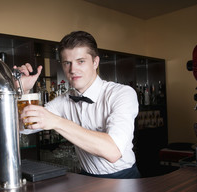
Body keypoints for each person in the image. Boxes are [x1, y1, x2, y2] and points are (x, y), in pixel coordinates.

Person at [17, 31, 140, 179]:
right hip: (86, 177)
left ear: (95, 62)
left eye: (81, 61)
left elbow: (113, 152)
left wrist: (57, 122)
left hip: (124, 178)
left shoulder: (122, 94)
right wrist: (22, 90)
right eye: (67, 63)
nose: (73, 69)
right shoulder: (64, 100)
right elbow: (21, 125)